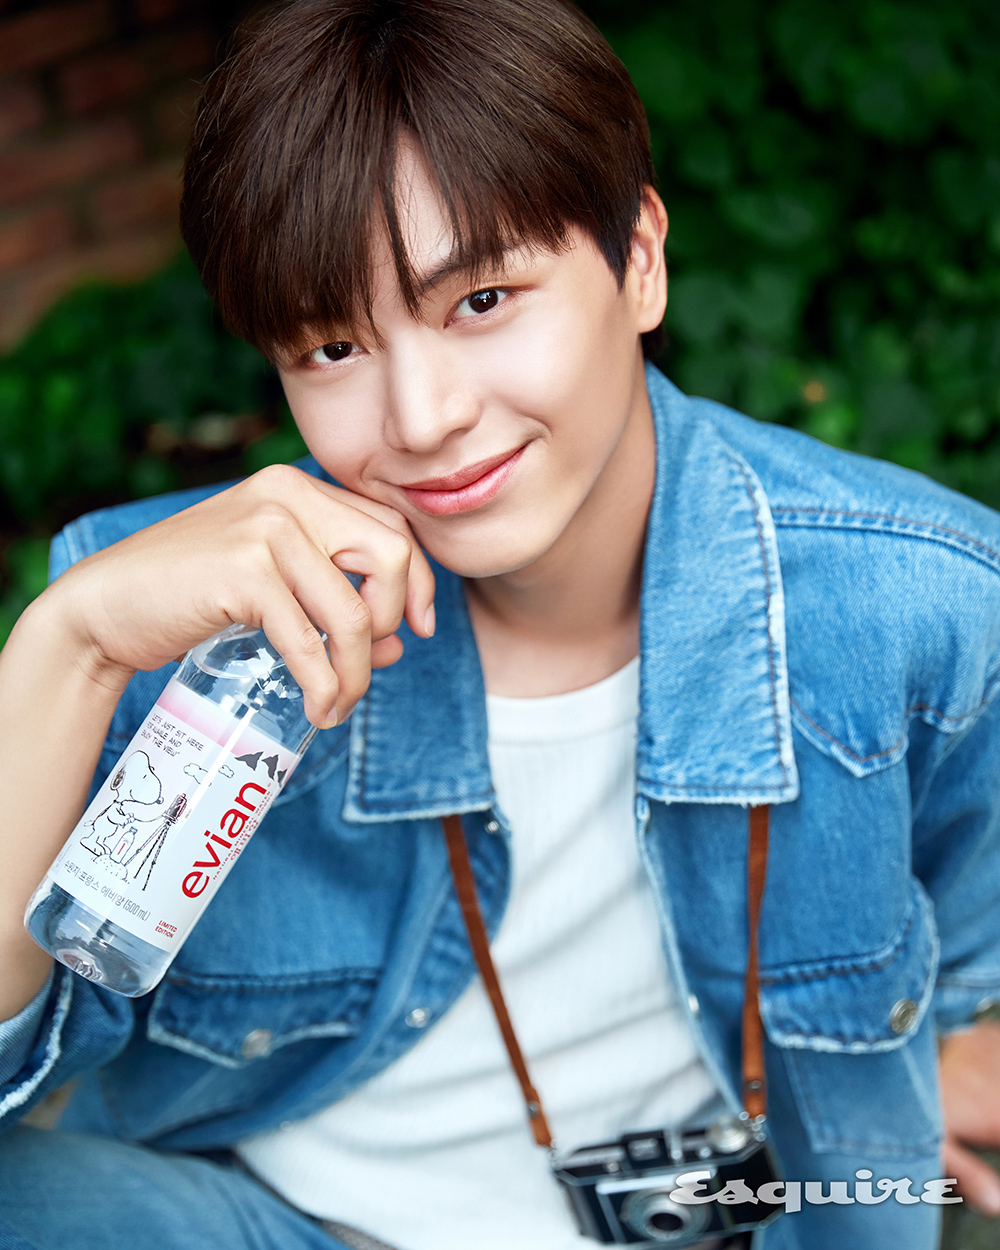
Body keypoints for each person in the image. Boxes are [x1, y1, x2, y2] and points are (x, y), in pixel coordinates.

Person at [0, 1, 999, 1247]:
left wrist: (926, 1067)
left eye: (480, 298)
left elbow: (967, 933)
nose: (421, 418)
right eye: (331, 345)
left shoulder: (913, 606)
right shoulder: (182, 632)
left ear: (639, 260)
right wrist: (68, 643)